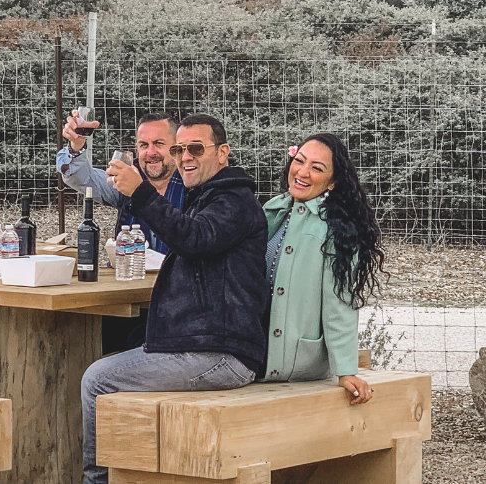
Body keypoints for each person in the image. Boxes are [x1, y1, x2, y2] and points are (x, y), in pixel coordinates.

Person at [81, 114, 269, 484]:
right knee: (113, 357)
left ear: (223, 153)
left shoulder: (233, 200)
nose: (185, 157)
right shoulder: (209, 197)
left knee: (97, 379)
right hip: (203, 345)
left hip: (222, 355)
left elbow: (193, 238)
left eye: (195, 148)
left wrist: (140, 192)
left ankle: (95, 480)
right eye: (180, 149)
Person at [260, 134, 385, 404]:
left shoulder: (336, 230)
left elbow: (339, 304)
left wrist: (346, 371)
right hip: (256, 350)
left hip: (293, 363)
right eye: (299, 161)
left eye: (317, 168)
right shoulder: (272, 210)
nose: (303, 172)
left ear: (332, 181)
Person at [59, 111, 184, 353]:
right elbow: (83, 179)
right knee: (74, 335)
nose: (150, 152)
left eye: (159, 143)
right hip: (127, 295)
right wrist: (76, 146)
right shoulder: (128, 179)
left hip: (175, 303)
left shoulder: (192, 182)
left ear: (177, 148)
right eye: (143, 145)